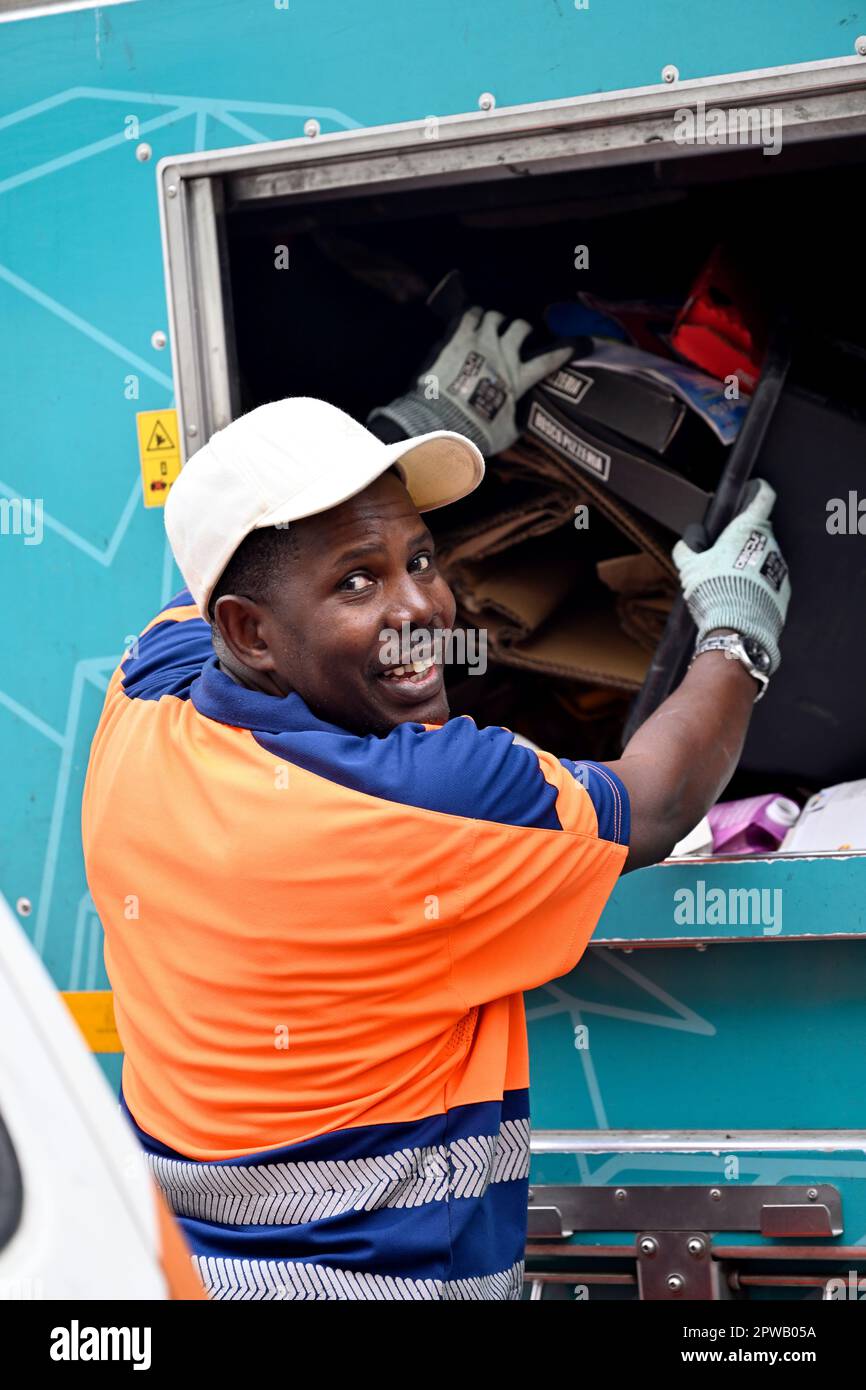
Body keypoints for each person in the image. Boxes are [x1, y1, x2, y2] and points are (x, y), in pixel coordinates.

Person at [82, 308, 790, 1301]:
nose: (417, 608)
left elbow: (182, 617)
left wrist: (401, 432)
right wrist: (737, 628)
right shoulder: (428, 804)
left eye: (417, 559)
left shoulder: (141, 703)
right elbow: (661, 796)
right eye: (355, 582)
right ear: (250, 631)